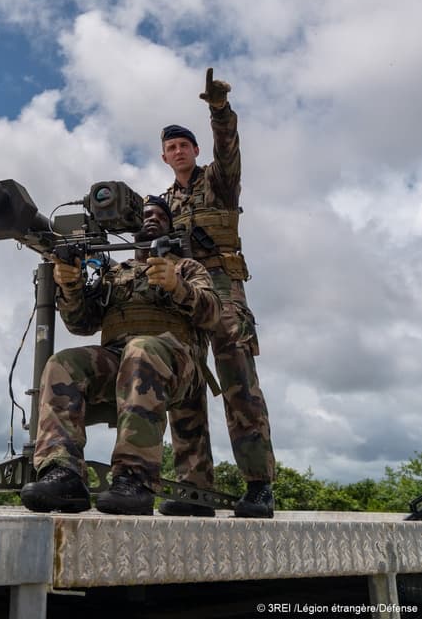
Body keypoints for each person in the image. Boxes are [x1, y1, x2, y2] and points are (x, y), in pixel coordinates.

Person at [19, 196, 221, 516]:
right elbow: (81, 324)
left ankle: (133, 478)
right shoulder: (115, 273)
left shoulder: (187, 267)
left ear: (170, 227)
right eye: (145, 215)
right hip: (120, 359)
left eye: (159, 215)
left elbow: (213, 315)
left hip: (177, 365)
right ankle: (63, 472)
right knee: (62, 365)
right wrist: (71, 288)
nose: (151, 219)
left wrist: (177, 286)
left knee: (141, 350)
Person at [159, 67, 275, 519]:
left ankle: (258, 486)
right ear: (165, 158)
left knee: (238, 385)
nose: (178, 151)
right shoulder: (164, 204)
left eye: (183, 145)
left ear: (195, 150)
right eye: (170, 148)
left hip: (224, 291)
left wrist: (219, 111)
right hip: (185, 294)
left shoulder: (217, 181)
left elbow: (229, 150)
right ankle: (195, 489)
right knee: (184, 385)